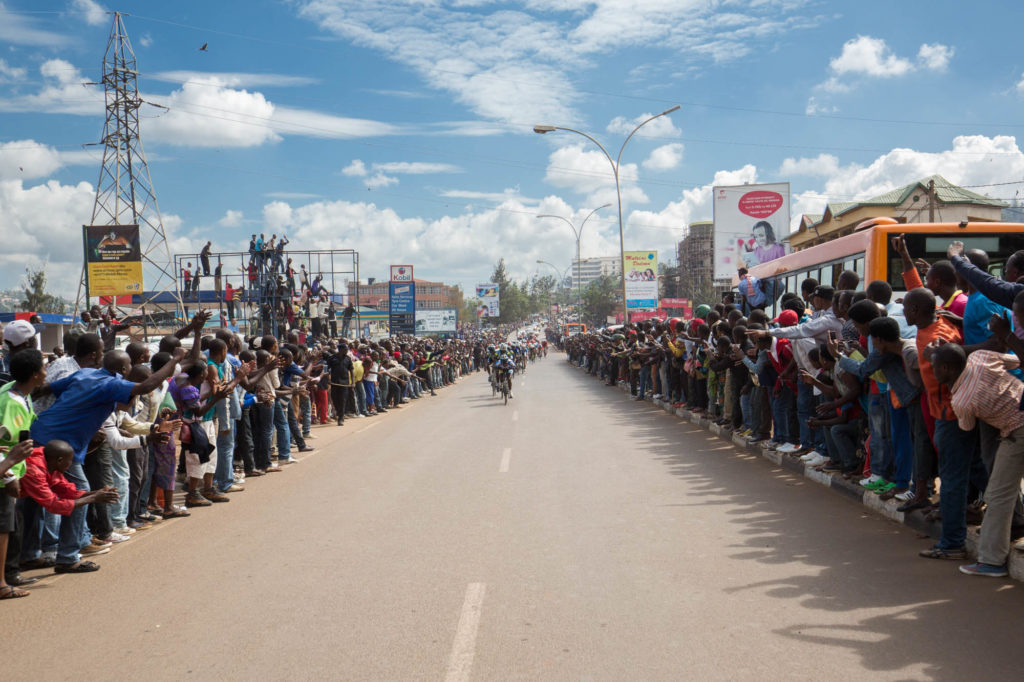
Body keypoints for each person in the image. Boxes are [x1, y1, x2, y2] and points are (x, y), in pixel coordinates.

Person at [30, 346, 185, 574]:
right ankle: (67, 556)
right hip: (59, 444)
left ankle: (31, 554)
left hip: (41, 433)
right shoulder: (112, 383)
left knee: (32, 497)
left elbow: (44, 390)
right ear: (123, 369)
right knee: (80, 490)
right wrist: (177, 359)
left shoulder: (84, 374)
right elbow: (146, 386)